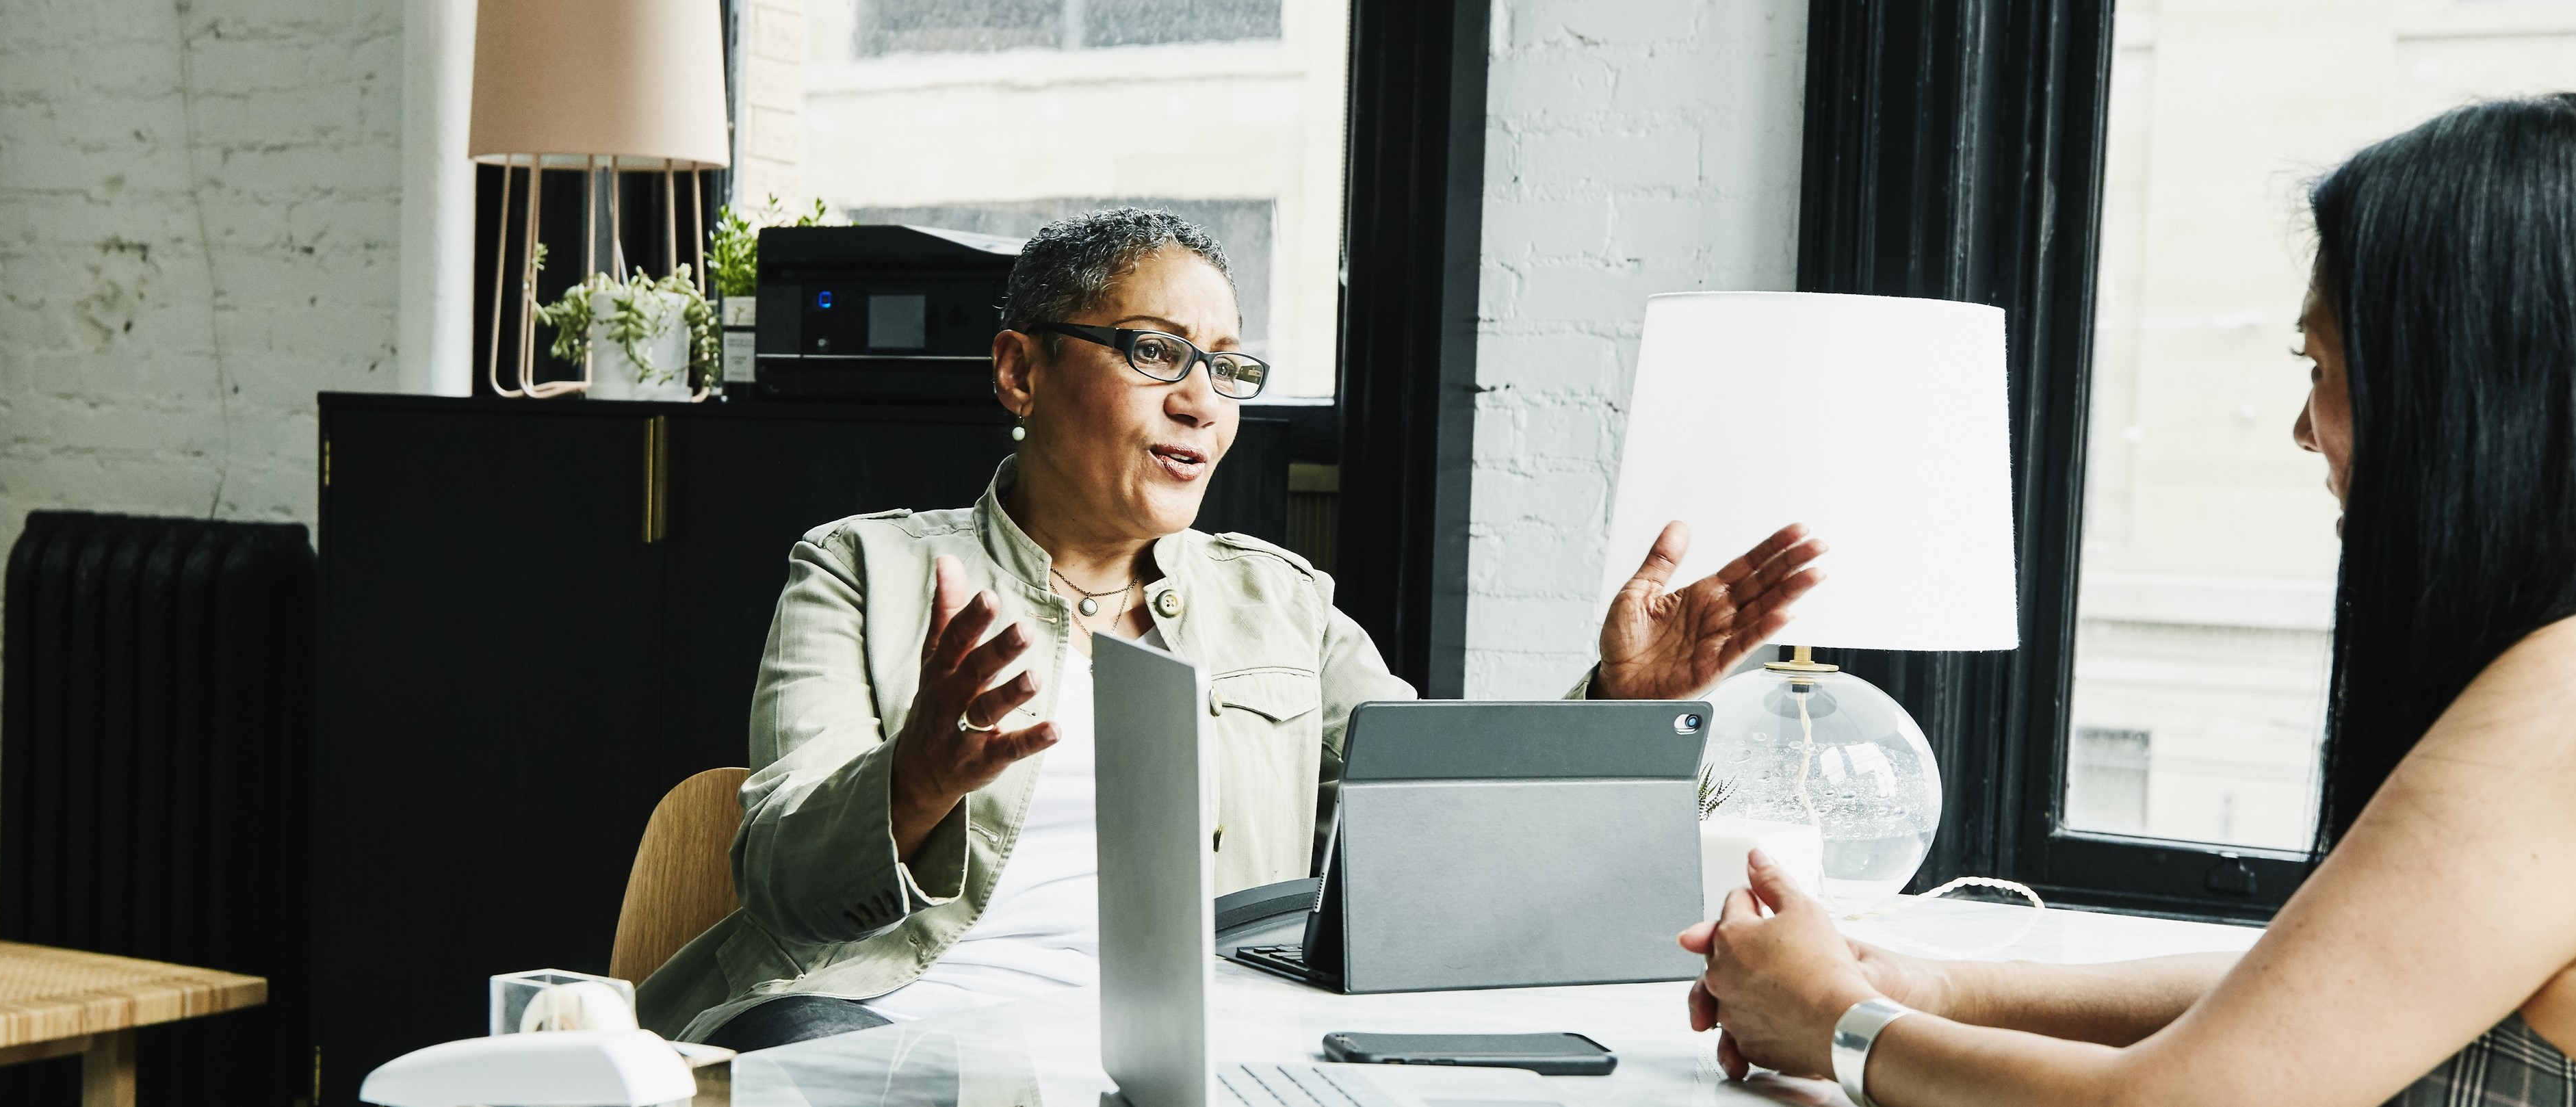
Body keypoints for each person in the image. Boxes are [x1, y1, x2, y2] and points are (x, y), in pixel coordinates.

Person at [1678, 94, 2576, 1106]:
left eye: (2322, 365)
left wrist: (1840, 1030)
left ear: (2468, 391)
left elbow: (2191, 1099)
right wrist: (1930, 981)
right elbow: (2330, 993)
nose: (2306, 432)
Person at [634, 207, 1829, 1050]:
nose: (1203, 401)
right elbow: (780, 876)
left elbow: (1436, 816)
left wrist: (1617, 707)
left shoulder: (1281, 599)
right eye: (1155, 352)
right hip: (887, 1023)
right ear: (1019, 371)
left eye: (1226, 365)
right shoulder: (864, 568)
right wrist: (917, 778)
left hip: (1204, 1051)